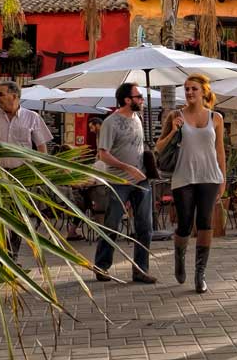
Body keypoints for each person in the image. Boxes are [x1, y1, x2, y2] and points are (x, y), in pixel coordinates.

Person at [156, 74, 225, 294]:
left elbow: (220, 151)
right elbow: (159, 147)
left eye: (194, 89)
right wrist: (175, 130)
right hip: (183, 177)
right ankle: (179, 256)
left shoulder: (216, 118)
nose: (189, 92)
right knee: (185, 224)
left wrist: (222, 179)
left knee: (205, 223)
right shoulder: (175, 116)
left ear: (204, 91)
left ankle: (200, 274)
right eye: (186, 89)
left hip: (209, 177)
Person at [94, 82, 156, 284]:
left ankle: (140, 269)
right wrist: (128, 168)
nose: (142, 100)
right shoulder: (110, 122)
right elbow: (103, 155)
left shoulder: (138, 118)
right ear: (127, 100)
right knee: (112, 224)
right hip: (118, 181)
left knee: (145, 226)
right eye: (138, 97)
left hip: (141, 181)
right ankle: (101, 266)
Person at [0, 80, 54, 259]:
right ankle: (1, 253)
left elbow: (42, 148)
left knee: (18, 217)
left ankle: (12, 255)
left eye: (1, 94)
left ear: (14, 96)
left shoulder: (32, 117)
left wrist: (40, 173)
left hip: (21, 176)